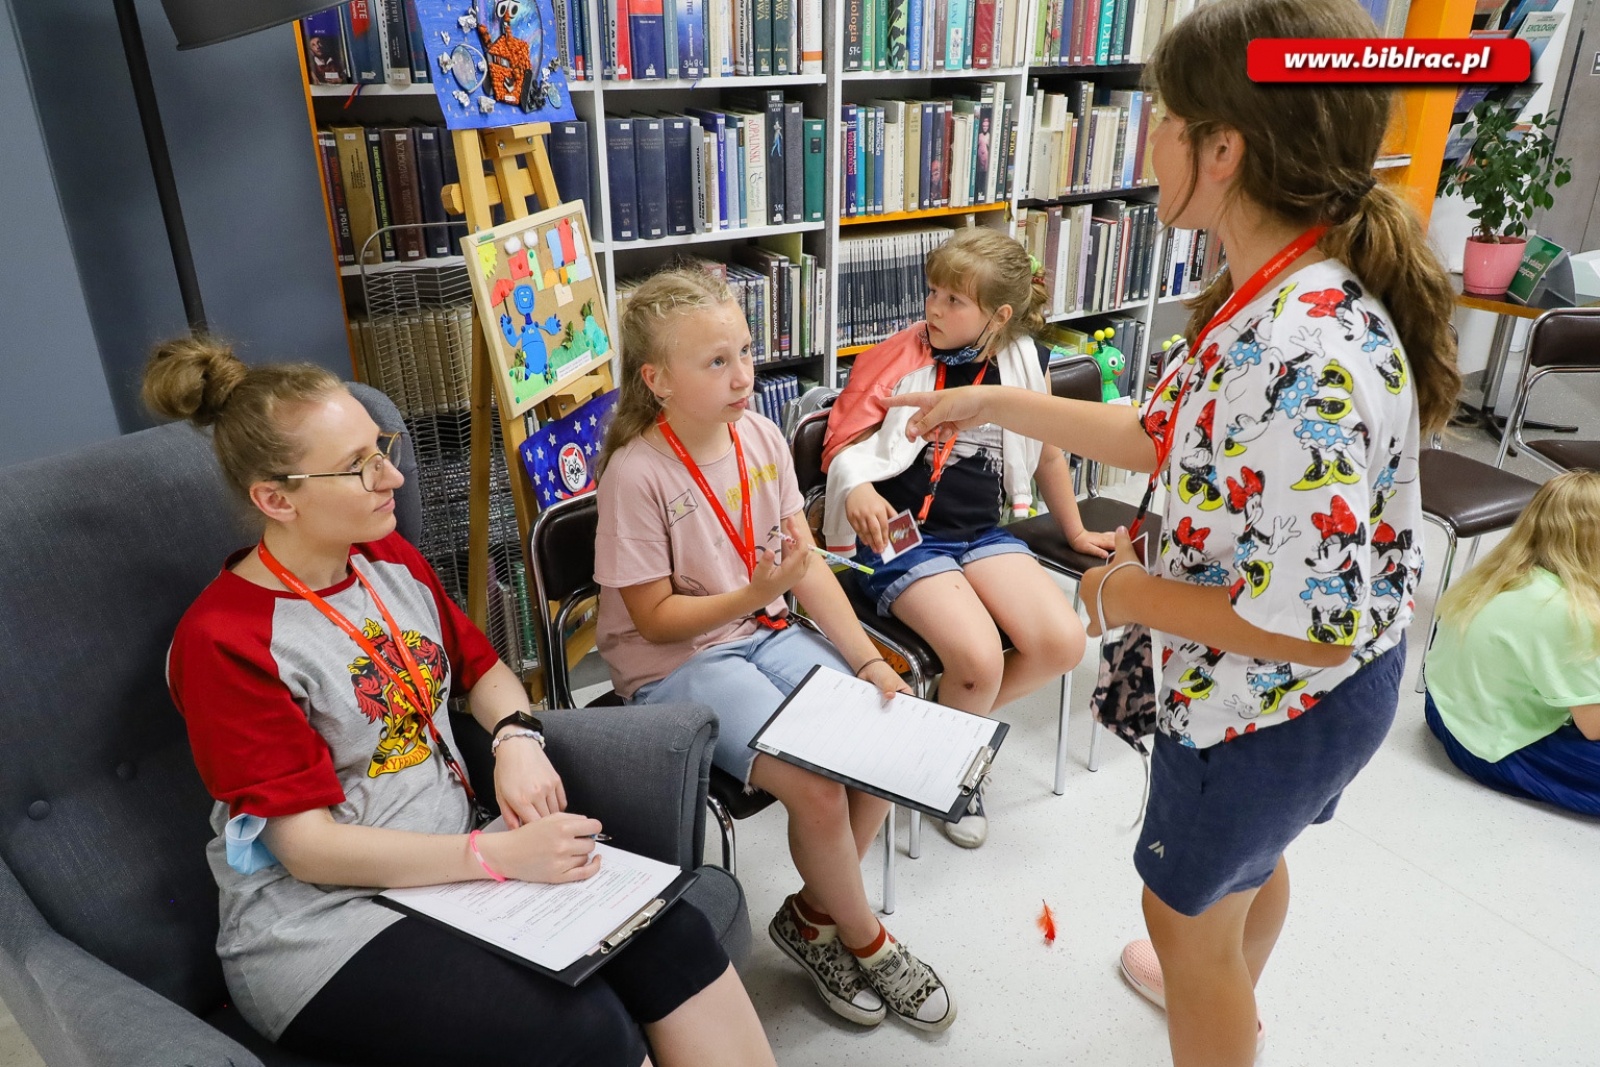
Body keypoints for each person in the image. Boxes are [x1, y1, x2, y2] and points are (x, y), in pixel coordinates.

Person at [886, 1, 1460, 1063]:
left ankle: (1211, 993)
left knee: (1181, 919)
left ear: (1222, 148)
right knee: (1243, 871)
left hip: (1277, 700)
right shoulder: (1269, 290)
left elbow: (1308, 628)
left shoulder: (1301, 356)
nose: (1148, 139)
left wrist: (1118, 594)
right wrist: (991, 401)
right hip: (1299, 689)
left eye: (1161, 118)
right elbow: (1160, 432)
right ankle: (1220, 984)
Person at [148, 336, 776, 1067]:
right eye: (359, 466)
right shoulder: (225, 640)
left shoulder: (384, 558)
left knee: (676, 938)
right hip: (323, 925)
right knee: (582, 1033)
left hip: (455, 868)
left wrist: (516, 740)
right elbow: (308, 849)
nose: (392, 475)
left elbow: (484, 671)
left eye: (382, 448)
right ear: (275, 499)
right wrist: (496, 854)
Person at [593, 267, 956, 1033]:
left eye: (746, 352)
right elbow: (654, 622)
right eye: (716, 361)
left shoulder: (759, 435)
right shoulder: (636, 473)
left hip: (763, 631)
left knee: (882, 743)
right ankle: (869, 939)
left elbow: (804, 567)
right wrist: (760, 592)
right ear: (657, 380)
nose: (742, 376)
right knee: (818, 786)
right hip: (677, 665)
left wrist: (868, 662)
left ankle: (811, 918)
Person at [821, 226, 1113, 848]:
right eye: (932, 292)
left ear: (999, 317)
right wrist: (858, 489)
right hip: (900, 539)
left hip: (979, 532)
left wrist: (1076, 529)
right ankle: (953, 764)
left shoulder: (1023, 362)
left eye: (953, 300)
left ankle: (942, 741)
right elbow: (843, 444)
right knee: (978, 660)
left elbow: (1047, 454)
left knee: (1063, 642)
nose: (933, 308)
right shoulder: (896, 357)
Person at [1424, 470, 1600, 817]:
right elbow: (1593, 727)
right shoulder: (1570, 613)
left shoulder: (1501, 571)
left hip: (1443, 710)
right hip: (1491, 747)